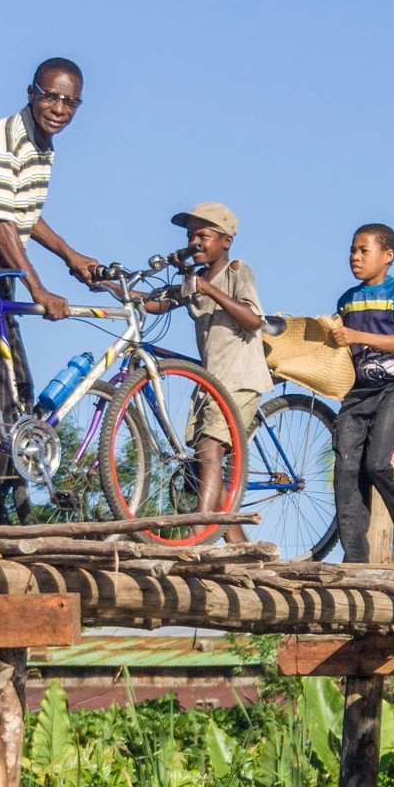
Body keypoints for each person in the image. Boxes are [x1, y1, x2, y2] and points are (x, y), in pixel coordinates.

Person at [0, 58, 103, 523]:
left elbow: (23, 213)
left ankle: (11, 504)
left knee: (16, 388)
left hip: (1, 267)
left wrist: (71, 255)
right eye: (51, 96)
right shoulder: (3, 140)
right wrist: (39, 287)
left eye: (70, 101)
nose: (59, 108)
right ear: (32, 93)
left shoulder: (42, 145)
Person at [141, 202, 270, 542]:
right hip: (210, 382)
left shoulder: (236, 271)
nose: (195, 242)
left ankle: (195, 538)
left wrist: (209, 289)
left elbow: (254, 319)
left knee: (210, 448)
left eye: (203, 236)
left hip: (239, 379)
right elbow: (159, 304)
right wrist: (114, 289)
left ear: (226, 241)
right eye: (190, 236)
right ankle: (240, 552)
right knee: (203, 462)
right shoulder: (194, 280)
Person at [329, 224, 394, 564]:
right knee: (346, 470)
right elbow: (339, 350)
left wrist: (357, 335)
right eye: (352, 250)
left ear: (387, 256)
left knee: (379, 462)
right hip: (357, 393)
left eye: (363, 250)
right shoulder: (346, 300)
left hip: (393, 387)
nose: (355, 257)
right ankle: (355, 556)